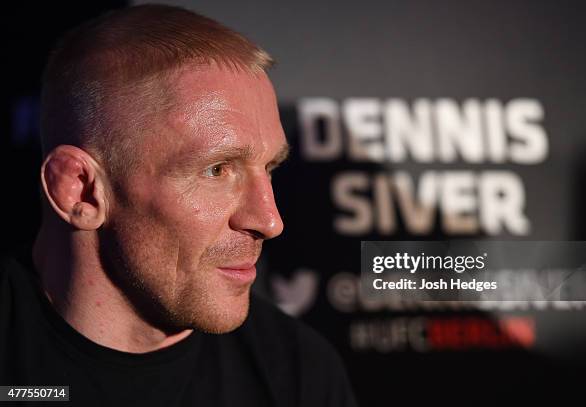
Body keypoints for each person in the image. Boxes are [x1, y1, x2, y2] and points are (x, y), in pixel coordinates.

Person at [0, 5, 357, 406]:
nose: (270, 221)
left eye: (270, 167)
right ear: (79, 190)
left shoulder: (298, 373)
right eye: (217, 170)